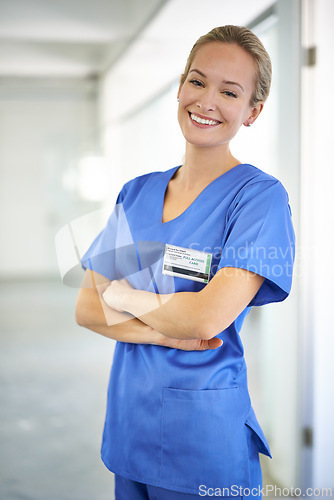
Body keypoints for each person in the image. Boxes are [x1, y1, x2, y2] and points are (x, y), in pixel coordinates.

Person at [75, 25, 295, 499]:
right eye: (197, 81)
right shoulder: (136, 194)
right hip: (130, 425)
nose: (206, 100)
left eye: (229, 91)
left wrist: (123, 294)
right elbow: (87, 309)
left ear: (252, 112)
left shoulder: (258, 200)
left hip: (204, 441)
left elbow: (206, 318)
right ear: (180, 87)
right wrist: (162, 329)